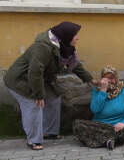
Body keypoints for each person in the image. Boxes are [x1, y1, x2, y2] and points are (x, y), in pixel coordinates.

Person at [3, 22, 97, 150]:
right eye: (75, 35)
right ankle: (34, 140)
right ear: (66, 36)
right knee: (34, 104)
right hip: (20, 80)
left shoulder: (64, 47)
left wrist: (91, 80)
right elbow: (34, 72)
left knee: (53, 97)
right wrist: (39, 95)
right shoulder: (43, 48)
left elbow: (75, 65)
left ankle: (49, 132)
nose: (77, 38)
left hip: (39, 79)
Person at [73, 66, 124, 150]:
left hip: (118, 126)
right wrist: (103, 90)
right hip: (100, 126)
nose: (109, 81)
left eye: (111, 78)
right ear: (102, 79)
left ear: (116, 78)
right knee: (78, 125)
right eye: (106, 78)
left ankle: (101, 140)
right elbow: (95, 109)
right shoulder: (97, 90)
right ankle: (109, 140)